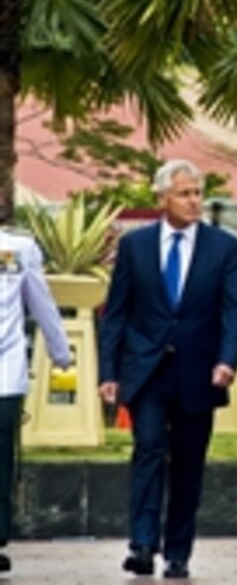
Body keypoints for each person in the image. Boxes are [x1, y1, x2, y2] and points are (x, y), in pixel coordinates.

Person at [98, 159, 237, 579]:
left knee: (187, 462)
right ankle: (142, 544)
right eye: (184, 193)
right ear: (162, 197)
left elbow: (234, 313)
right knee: (147, 450)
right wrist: (108, 372)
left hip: (199, 372)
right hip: (147, 370)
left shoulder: (224, 248)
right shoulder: (135, 246)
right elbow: (117, 315)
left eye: (198, 192)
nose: (194, 201)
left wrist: (227, 360)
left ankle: (178, 552)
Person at [0, 228, 72, 573]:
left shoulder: (18, 248)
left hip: (4, 370)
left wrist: (60, 351)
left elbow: (40, 300)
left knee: (1, 458)